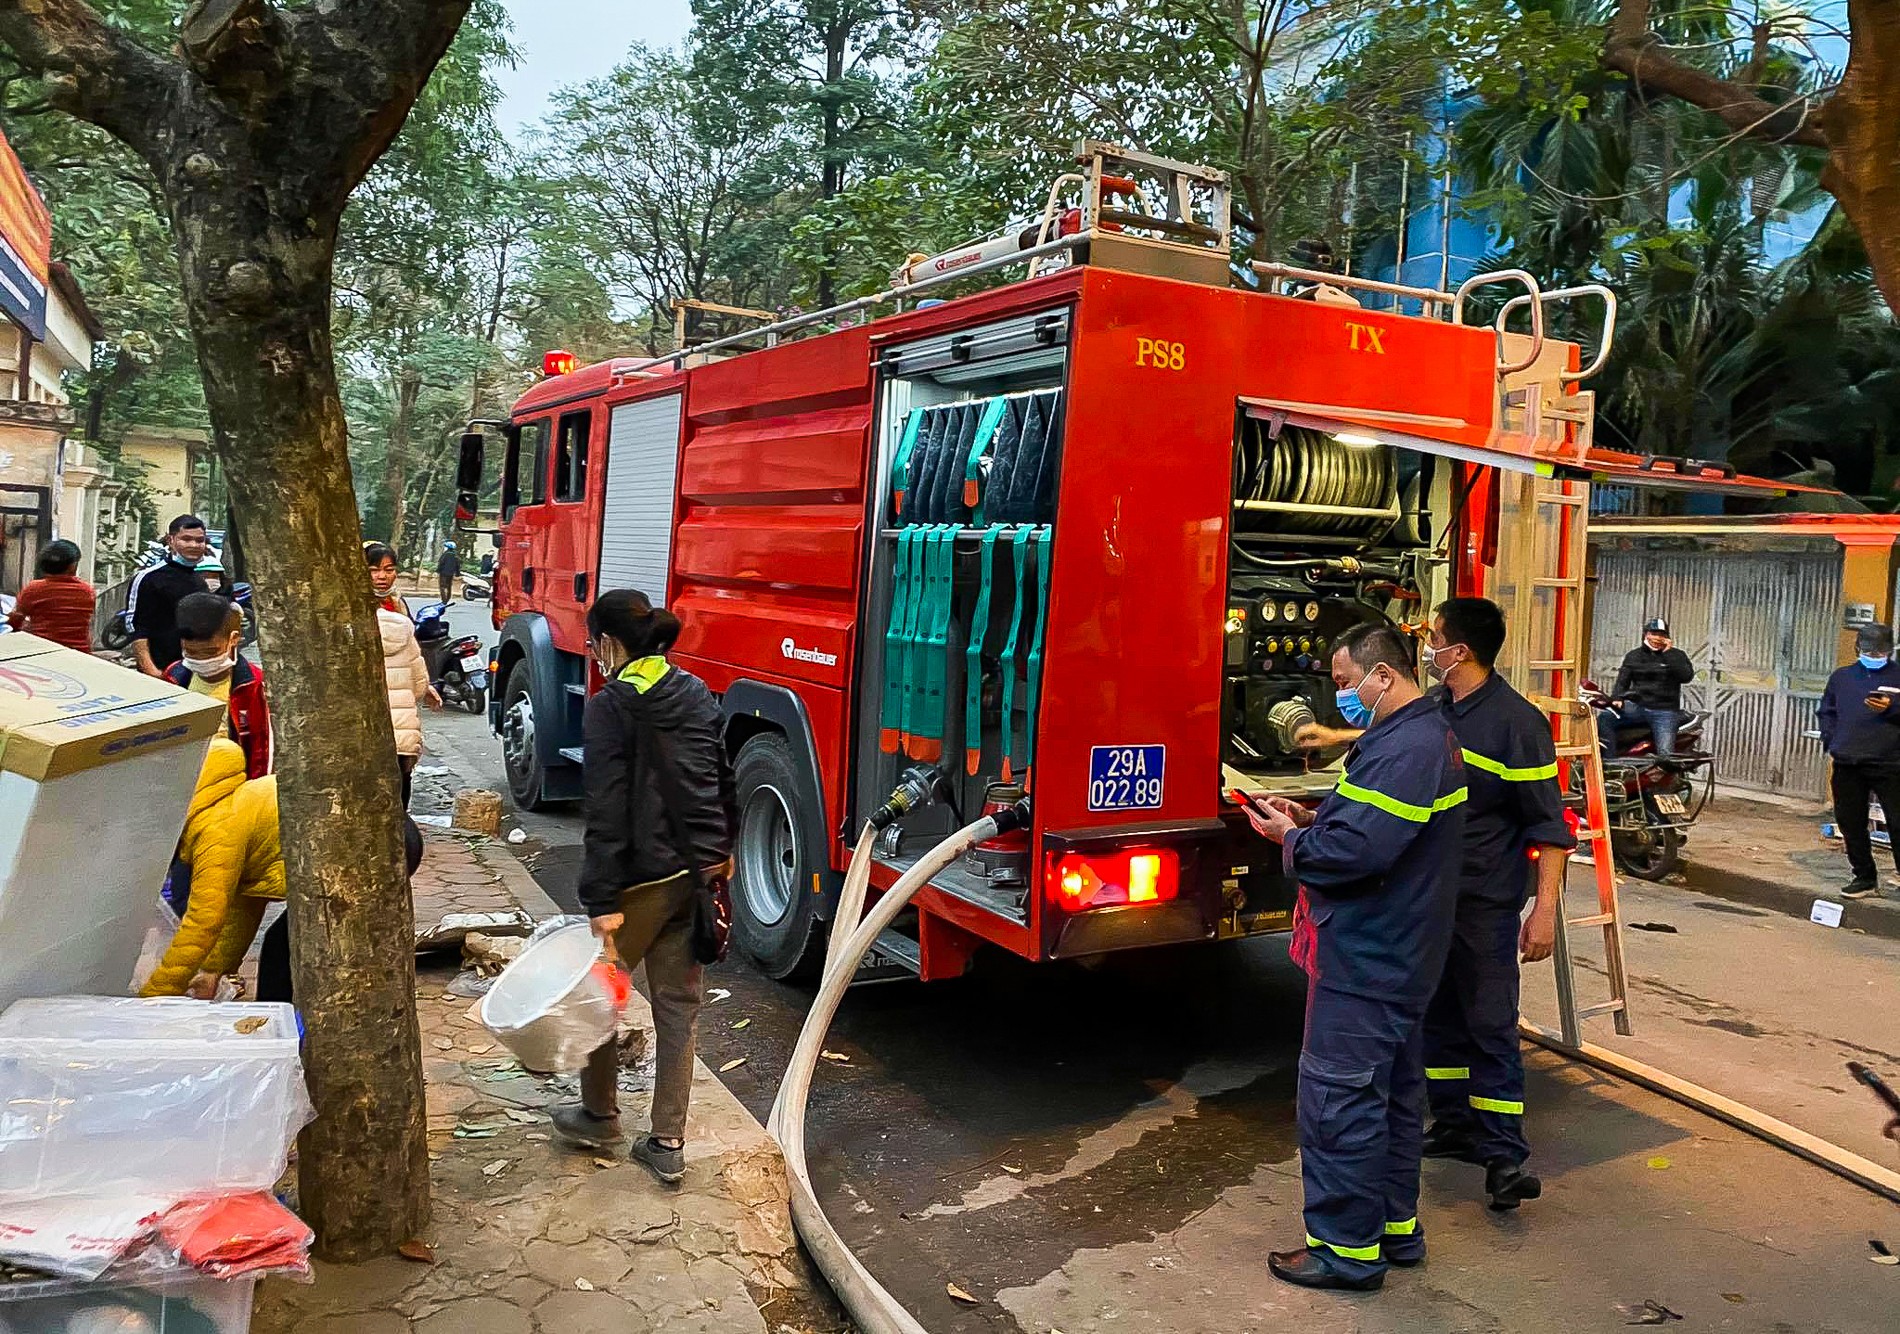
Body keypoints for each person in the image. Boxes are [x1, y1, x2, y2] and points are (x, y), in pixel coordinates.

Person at [1240, 622, 1465, 1292]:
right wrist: (1309, 817)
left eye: (1344, 683)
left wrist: (1291, 841)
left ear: (1383, 675)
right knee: (1392, 1097)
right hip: (1403, 953)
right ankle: (1394, 1231)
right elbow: (1372, 826)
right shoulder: (1416, 738)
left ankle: (1343, 1251)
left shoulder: (1406, 747)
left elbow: (1356, 854)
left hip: (1370, 956)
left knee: (1338, 1101)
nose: (1340, 696)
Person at [550, 589, 736, 1186]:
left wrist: (600, 901)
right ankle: (667, 1141)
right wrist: (723, 850)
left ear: (607, 644)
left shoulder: (612, 706)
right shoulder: (694, 689)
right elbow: (721, 774)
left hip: (642, 882)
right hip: (698, 873)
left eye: (593, 644)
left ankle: (600, 1115)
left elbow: (604, 810)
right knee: (680, 1005)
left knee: (598, 994)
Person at [1415, 598, 1573, 1209]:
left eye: (1434, 638)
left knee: (1488, 1022)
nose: (1426, 647)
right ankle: (1453, 1125)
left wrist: (1544, 912)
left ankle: (1504, 1155)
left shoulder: (1517, 723)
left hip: (1486, 901)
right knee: (1437, 1017)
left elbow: (1550, 828)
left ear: (1460, 653)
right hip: (1433, 899)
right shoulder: (1434, 711)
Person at [141, 739, 283, 999]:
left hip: (344, 861)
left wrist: (159, 992)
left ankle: (286, 1033)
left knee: (281, 952)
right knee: (280, 946)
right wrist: (213, 970)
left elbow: (203, 922)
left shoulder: (215, 833)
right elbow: (244, 907)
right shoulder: (229, 807)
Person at [1817, 622, 1900, 900]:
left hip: (1890, 762)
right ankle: (1864, 877)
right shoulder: (1842, 678)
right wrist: (1832, 740)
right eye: (1868, 651)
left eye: (1878, 653)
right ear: (1857, 649)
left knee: (1897, 821)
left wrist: (1892, 708)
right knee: (1850, 822)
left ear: (1889, 651)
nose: (1873, 656)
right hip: (1847, 761)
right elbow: (1827, 711)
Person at [168, 592, 272, 779]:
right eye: (191, 652)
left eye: (210, 651)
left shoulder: (254, 687)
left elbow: (261, 752)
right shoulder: (172, 679)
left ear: (233, 639)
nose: (201, 659)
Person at [367, 541, 439, 804]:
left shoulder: (395, 604)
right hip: (399, 713)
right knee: (399, 781)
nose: (383, 576)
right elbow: (414, 664)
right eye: (374, 570)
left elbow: (411, 655)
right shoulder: (397, 614)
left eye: (389, 569)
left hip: (380, 710)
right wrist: (420, 686)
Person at [1598, 616, 1695, 757]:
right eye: (1654, 634)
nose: (1657, 638)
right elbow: (1623, 680)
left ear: (1667, 638)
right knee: (1605, 718)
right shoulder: (1634, 656)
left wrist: (1668, 653)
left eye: (1661, 635)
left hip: (1665, 711)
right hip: (1637, 707)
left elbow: (1686, 676)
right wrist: (1617, 697)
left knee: (1666, 755)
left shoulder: (1677, 655)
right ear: (1646, 634)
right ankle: (1611, 762)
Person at [130, 515, 211, 677]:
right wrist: (153, 672)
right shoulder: (149, 578)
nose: (194, 545)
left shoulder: (199, 581)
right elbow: (137, 629)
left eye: (199, 540)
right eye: (186, 539)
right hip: (160, 671)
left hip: (195, 671)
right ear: (171, 540)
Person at [6, 539, 95, 652]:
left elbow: (15, 622)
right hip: (80, 654)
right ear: (72, 566)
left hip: (43, 653)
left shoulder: (33, 589)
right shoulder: (87, 591)